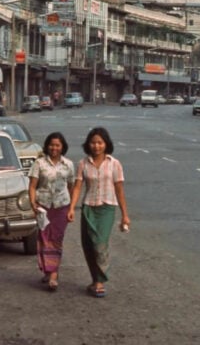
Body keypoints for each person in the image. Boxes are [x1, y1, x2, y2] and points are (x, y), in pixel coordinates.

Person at [68, 127, 130, 298]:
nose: (96, 146)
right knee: (88, 245)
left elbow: (119, 190)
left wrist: (125, 215)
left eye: (100, 143)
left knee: (99, 243)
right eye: (93, 143)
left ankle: (101, 281)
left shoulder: (114, 164)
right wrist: (72, 208)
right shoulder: (83, 163)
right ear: (88, 145)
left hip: (107, 208)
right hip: (88, 207)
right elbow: (78, 187)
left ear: (106, 144)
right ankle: (95, 280)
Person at [28, 132, 75, 291]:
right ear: (47, 146)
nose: (54, 148)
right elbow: (33, 186)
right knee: (44, 239)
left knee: (56, 239)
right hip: (43, 207)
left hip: (61, 207)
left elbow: (71, 187)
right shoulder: (39, 164)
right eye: (52, 145)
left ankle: (53, 273)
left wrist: (71, 208)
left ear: (62, 147)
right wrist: (33, 204)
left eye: (58, 145)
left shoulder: (68, 164)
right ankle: (48, 270)